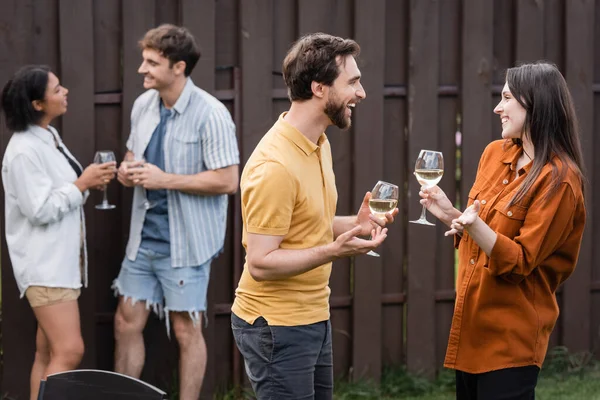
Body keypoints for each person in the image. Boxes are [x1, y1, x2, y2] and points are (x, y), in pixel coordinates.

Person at [230, 33, 398, 399]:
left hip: (312, 316)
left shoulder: (317, 142)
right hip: (275, 325)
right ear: (319, 88)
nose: (362, 92)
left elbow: (305, 227)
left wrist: (355, 224)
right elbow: (260, 262)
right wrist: (333, 251)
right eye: (352, 82)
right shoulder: (274, 166)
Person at [419, 62, 586, 399]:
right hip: (471, 330)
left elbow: (521, 260)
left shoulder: (560, 180)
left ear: (535, 104)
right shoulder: (494, 154)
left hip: (511, 340)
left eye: (507, 97)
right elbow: (483, 234)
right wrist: (450, 213)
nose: (498, 107)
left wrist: (475, 225)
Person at [112, 24, 239, 399]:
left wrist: (163, 179)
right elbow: (133, 158)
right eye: (144, 60)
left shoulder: (211, 114)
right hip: (143, 239)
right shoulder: (143, 106)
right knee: (125, 322)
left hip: (185, 244)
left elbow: (228, 180)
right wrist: (125, 170)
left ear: (178, 67)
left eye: (152, 62)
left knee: (185, 329)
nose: (142, 69)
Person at [1, 65, 117, 400]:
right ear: (37, 104)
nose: (65, 92)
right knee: (70, 351)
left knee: (48, 353)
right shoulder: (24, 151)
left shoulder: (48, 137)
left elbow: (60, 193)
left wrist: (84, 185)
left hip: (58, 266)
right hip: (45, 267)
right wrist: (82, 183)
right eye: (56, 89)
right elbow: (38, 210)